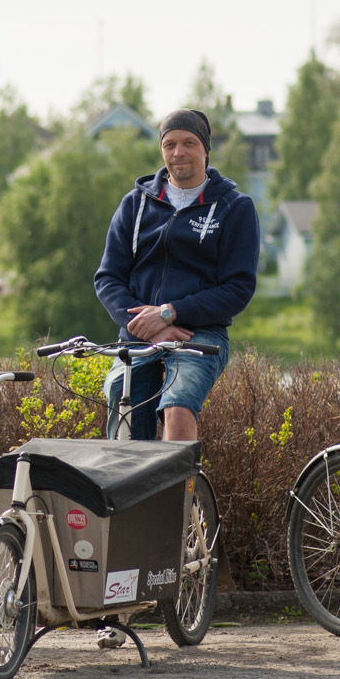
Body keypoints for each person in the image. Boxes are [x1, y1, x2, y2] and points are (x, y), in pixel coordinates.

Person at [93, 108, 259, 441]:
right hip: (139, 335)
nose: (178, 152)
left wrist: (170, 313)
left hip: (199, 335)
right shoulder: (134, 205)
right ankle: (131, 477)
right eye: (169, 144)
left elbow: (237, 288)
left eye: (189, 143)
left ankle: (179, 477)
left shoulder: (235, 208)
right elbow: (108, 278)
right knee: (123, 405)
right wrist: (146, 325)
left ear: (205, 149)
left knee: (178, 405)